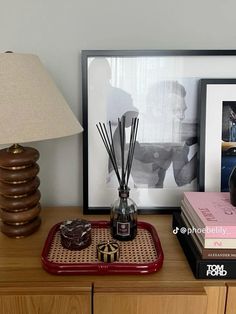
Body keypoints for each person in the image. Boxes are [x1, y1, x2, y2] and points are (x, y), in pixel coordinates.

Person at [132, 80, 197, 188]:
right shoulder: (131, 130)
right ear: (156, 109)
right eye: (176, 110)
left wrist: (206, 146)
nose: (182, 116)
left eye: (183, 110)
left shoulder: (177, 138)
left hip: (156, 200)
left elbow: (182, 179)